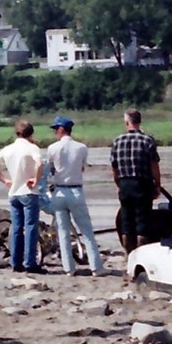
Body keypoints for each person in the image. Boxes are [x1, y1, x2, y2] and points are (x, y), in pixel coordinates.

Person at [45, 115, 106, 276]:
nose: (54, 133)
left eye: (55, 130)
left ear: (61, 130)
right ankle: (96, 267)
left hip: (59, 191)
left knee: (63, 232)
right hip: (76, 190)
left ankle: (69, 268)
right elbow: (82, 168)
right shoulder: (82, 148)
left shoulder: (52, 148)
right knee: (86, 230)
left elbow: (50, 169)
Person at [0, 120, 44, 274]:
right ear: (31, 133)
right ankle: (30, 262)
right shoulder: (32, 148)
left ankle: (15, 262)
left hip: (14, 192)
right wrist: (36, 179)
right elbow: (40, 164)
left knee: (16, 228)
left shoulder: (8, 149)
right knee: (31, 227)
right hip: (29, 191)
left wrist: (5, 180)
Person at [110, 108, 161, 253]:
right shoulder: (147, 140)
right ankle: (141, 255)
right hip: (142, 183)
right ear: (139, 122)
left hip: (125, 183)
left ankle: (128, 256)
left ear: (127, 122)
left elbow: (114, 168)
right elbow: (154, 166)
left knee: (127, 223)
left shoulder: (117, 141)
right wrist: (157, 185)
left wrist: (119, 183)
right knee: (142, 222)